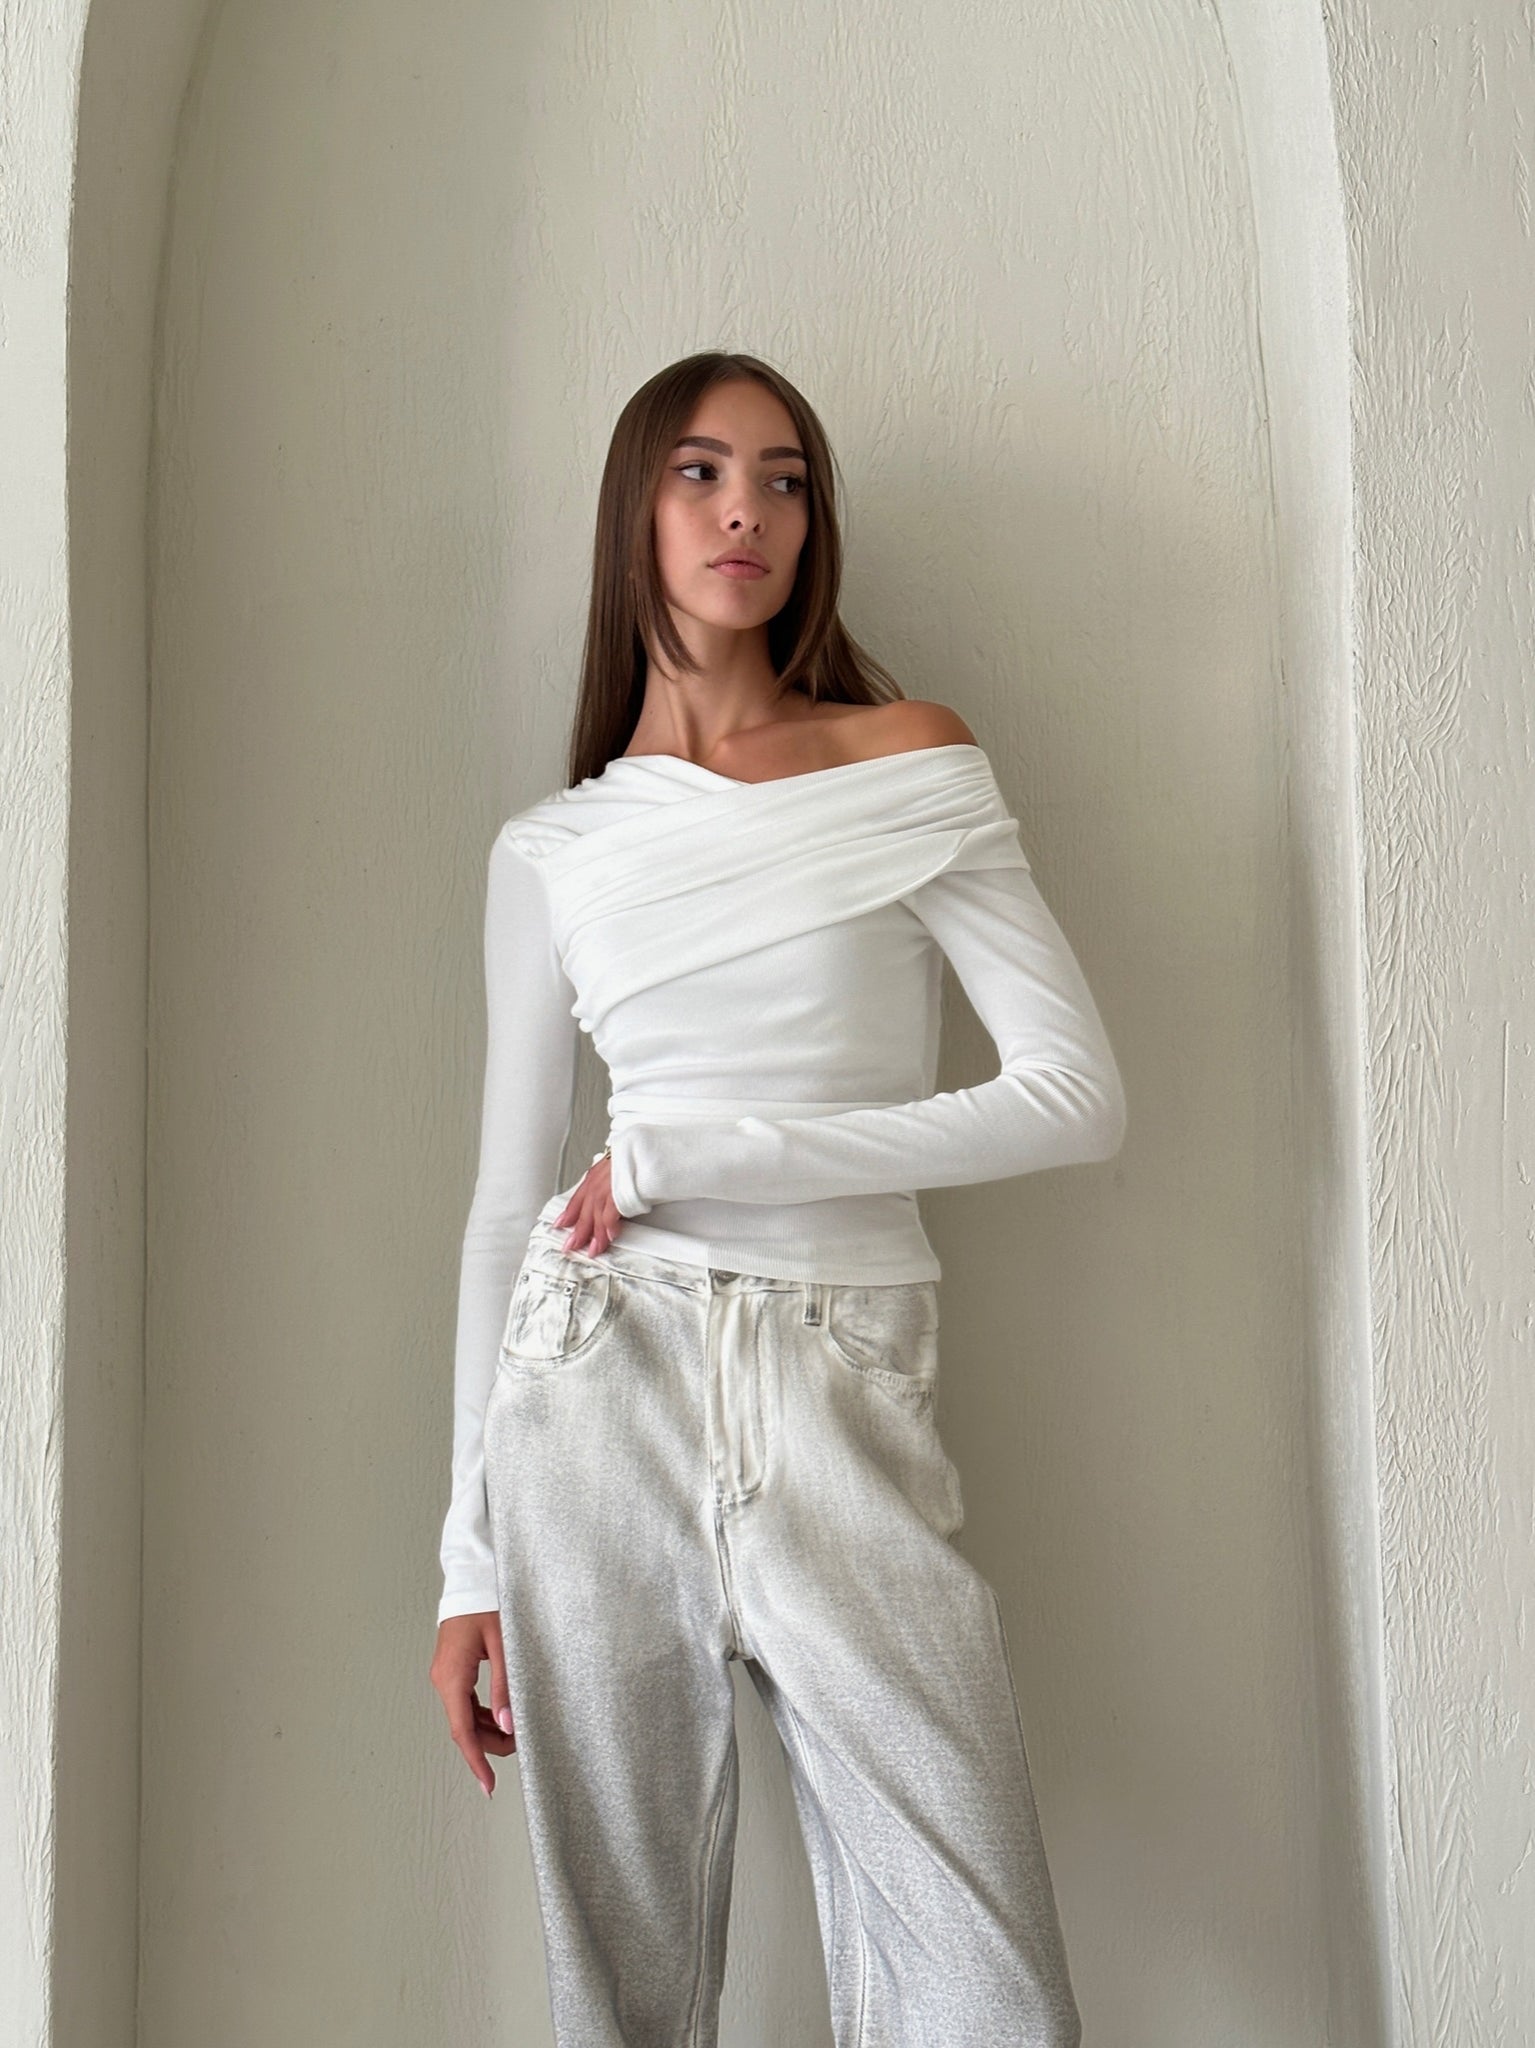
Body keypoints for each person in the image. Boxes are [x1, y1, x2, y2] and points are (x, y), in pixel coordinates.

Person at [429, 350, 1125, 2047]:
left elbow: (1075, 1100)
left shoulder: (907, 761)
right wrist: (466, 1559)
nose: (748, 508)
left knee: (985, 1990)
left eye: (786, 478)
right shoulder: (555, 852)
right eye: (699, 471)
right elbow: (508, 1197)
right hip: (596, 1384)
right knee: (628, 1985)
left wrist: (697, 1157)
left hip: (838, 1371)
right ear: (634, 511)